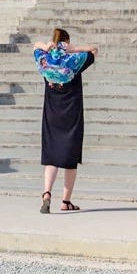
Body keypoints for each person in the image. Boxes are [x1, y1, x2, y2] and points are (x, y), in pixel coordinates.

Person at [35, 28, 98, 213]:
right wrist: (75, 48)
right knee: (70, 158)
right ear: (67, 42)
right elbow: (94, 50)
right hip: (71, 112)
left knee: (51, 157)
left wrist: (45, 46)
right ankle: (65, 201)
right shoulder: (73, 60)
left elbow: (34, 46)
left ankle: (46, 193)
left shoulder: (44, 60)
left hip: (51, 113)